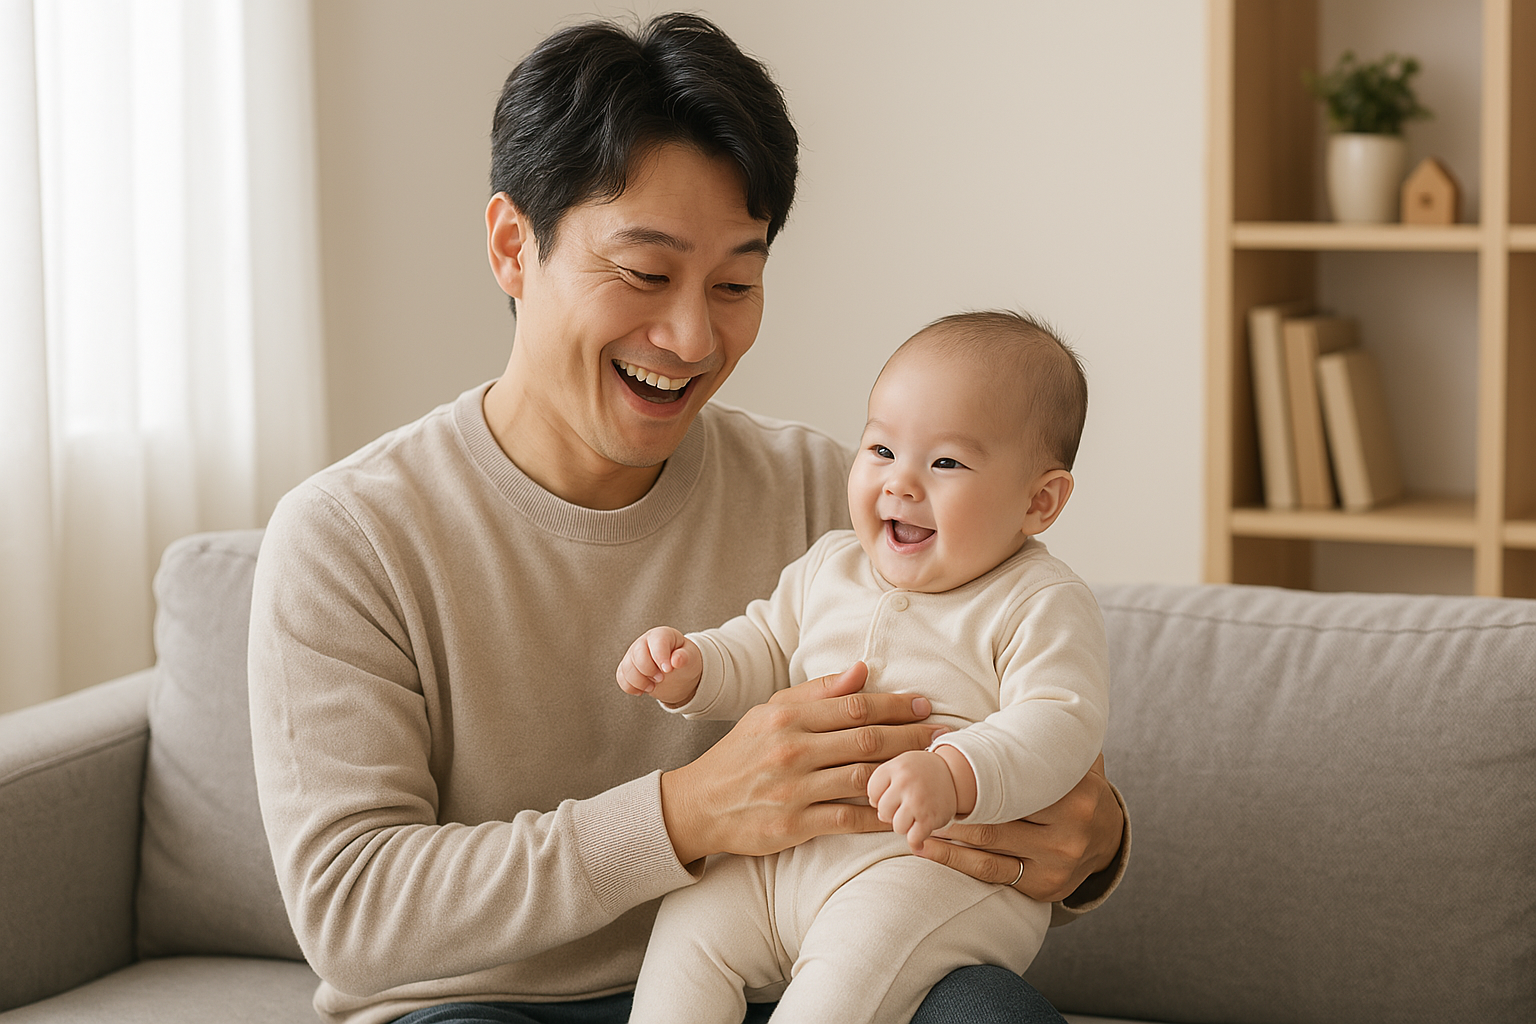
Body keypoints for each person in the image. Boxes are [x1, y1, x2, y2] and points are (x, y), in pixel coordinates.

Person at [247, 14, 1128, 1024]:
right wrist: (687, 812)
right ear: (510, 247)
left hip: (788, 973)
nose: (691, 335)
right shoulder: (348, 538)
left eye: (736, 283)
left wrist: (1090, 842)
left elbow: (1014, 725)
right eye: (646, 273)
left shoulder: (831, 494)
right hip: (480, 1004)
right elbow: (352, 909)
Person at [617, 313, 1109, 1023]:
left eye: (945, 463)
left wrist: (956, 772)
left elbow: (1060, 723)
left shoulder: (1040, 600)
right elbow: (763, 644)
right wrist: (693, 667)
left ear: (1040, 500)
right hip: (785, 858)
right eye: (880, 447)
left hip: (930, 871)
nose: (900, 482)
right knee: (690, 928)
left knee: (843, 985)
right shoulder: (833, 564)